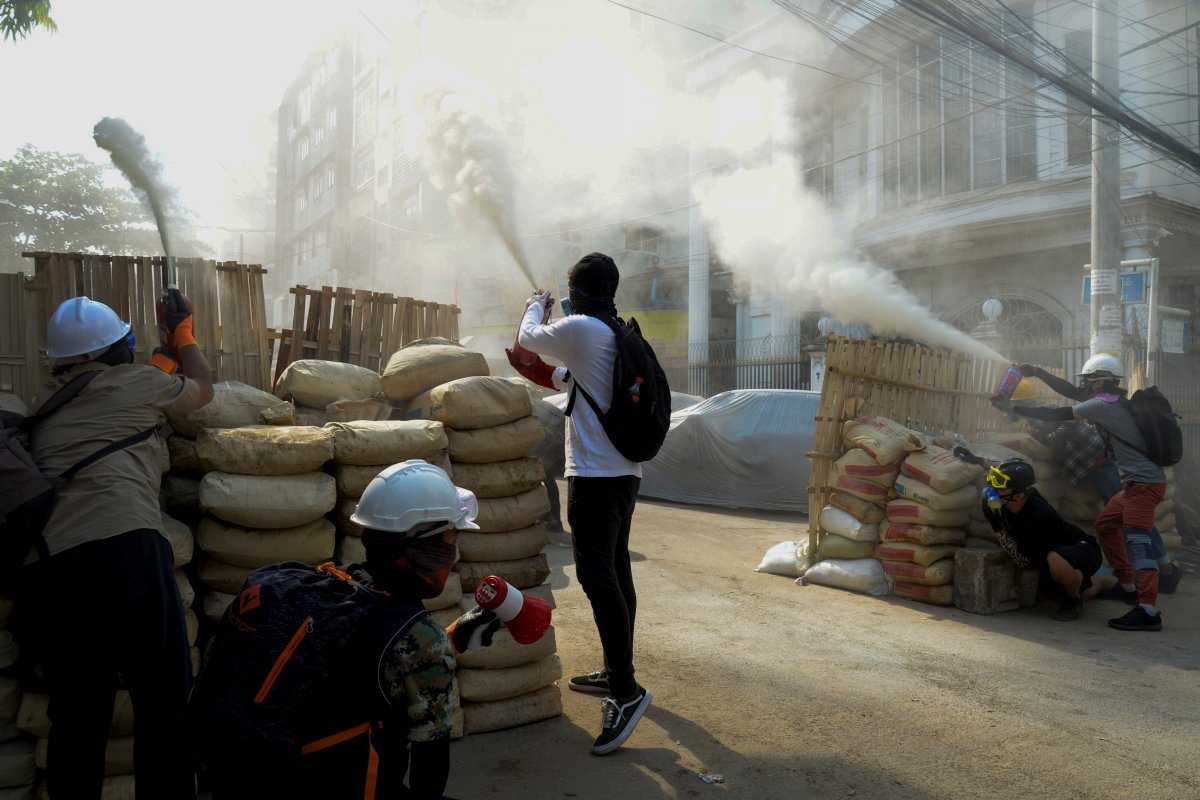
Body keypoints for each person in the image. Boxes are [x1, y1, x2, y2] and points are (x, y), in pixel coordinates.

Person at [203, 459, 501, 799]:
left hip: (255, 775)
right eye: (451, 538)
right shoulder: (419, 638)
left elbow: (373, 667)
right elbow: (428, 769)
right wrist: (439, 648)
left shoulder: (337, 589)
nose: (452, 552)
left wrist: (456, 636)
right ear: (422, 547)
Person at [17, 291, 214, 798]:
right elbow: (200, 388)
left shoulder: (47, 403)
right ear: (108, 350)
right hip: (127, 550)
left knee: (79, 715)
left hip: (57, 568)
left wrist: (163, 352)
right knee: (164, 702)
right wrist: (184, 335)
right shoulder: (137, 383)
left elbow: (132, 388)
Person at [506, 252, 652, 756]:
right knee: (614, 570)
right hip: (623, 475)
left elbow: (528, 337)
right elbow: (563, 380)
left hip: (595, 478)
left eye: (569, 289)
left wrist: (535, 304)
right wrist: (534, 368)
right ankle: (617, 673)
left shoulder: (584, 328)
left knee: (597, 576)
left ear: (580, 290)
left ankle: (627, 692)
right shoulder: (610, 334)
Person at [1008, 355, 1168, 631]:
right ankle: (1128, 587)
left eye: (1089, 382)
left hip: (1143, 484)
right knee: (1105, 525)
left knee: (1139, 544)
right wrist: (1037, 371)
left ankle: (1148, 610)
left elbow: (1060, 413)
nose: (1085, 386)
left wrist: (1017, 409)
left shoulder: (1103, 406)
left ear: (1101, 382)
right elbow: (1071, 391)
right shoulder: (1112, 400)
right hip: (1134, 484)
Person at [980, 458, 1115, 621]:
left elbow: (1023, 560)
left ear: (1020, 495)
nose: (994, 492)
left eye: (1001, 489)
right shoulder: (1000, 504)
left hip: (1083, 549)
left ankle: (1073, 600)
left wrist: (999, 529)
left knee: (1056, 560)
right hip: (1049, 555)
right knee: (1083, 590)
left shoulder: (1038, 517)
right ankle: (1107, 583)